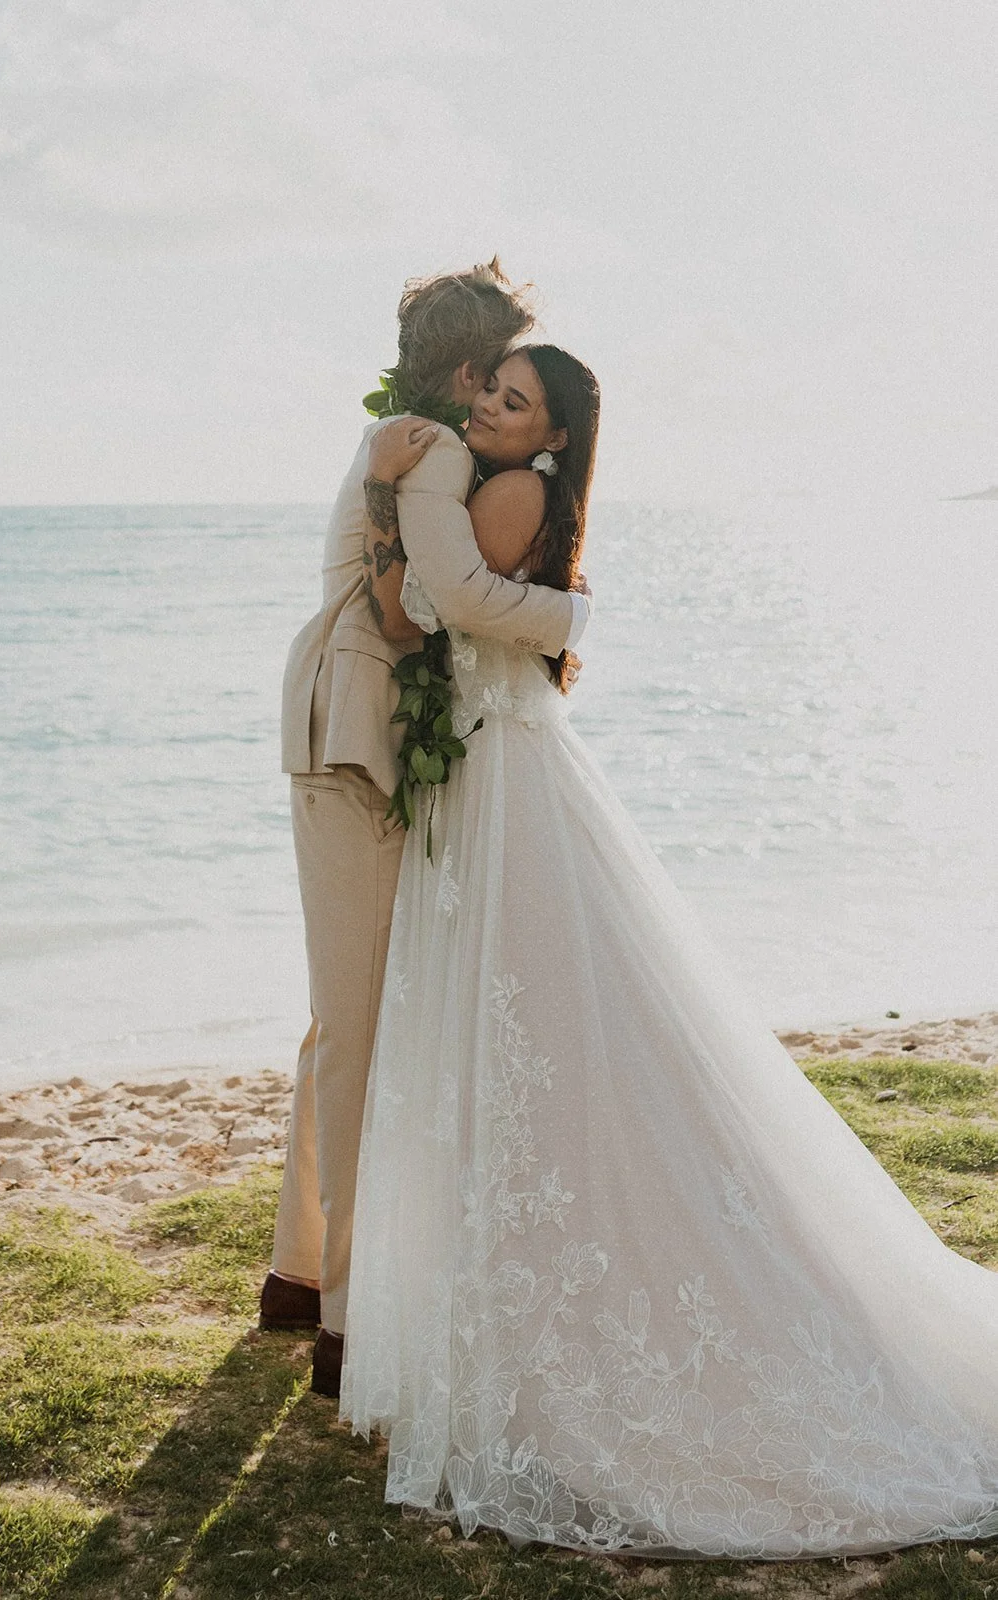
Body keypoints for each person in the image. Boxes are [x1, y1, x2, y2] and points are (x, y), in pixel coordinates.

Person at [339, 344, 998, 1558]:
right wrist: (401, 521)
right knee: (517, 1048)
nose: (484, 408)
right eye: (486, 390)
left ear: (550, 435)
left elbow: (449, 600)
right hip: (481, 778)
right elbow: (408, 607)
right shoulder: (490, 483)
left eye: (511, 401)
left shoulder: (508, 489)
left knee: (540, 1038)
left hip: (509, 787)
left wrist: (398, 476)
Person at [261, 261, 592, 1397]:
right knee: (360, 1032)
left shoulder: (392, 442)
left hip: (331, 732)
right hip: (356, 743)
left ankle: (299, 1270)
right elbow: (433, 605)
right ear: (464, 374)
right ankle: (346, 1321)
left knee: (340, 1014)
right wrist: (567, 615)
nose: (497, 398)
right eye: (494, 376)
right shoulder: (435, 453)